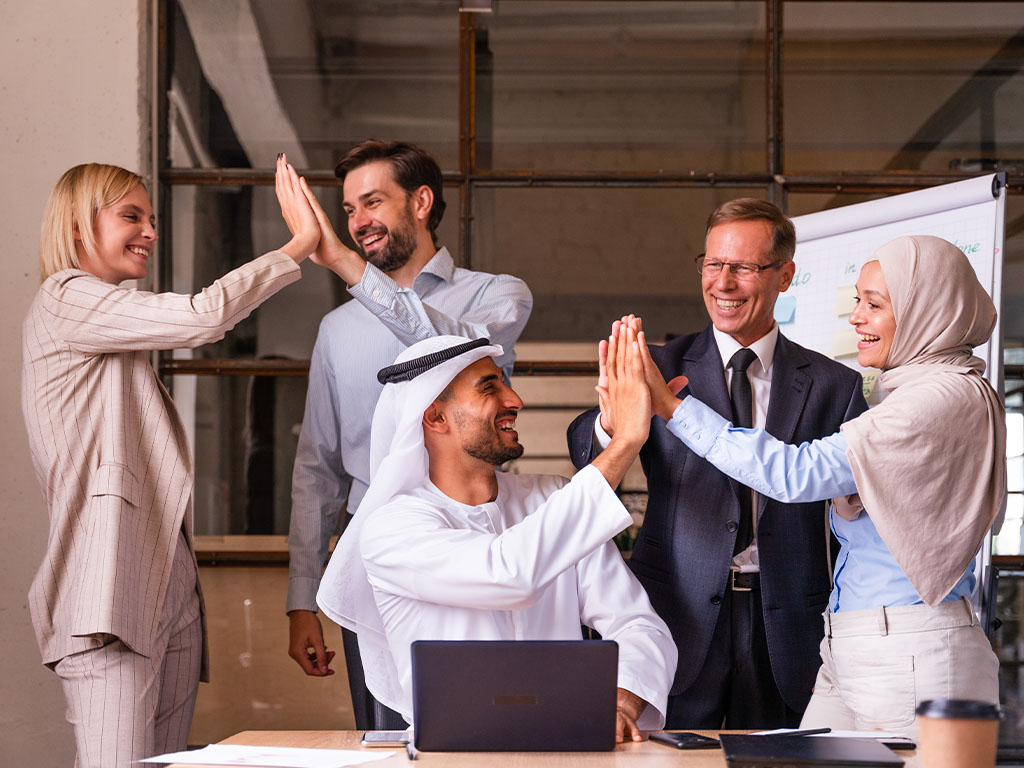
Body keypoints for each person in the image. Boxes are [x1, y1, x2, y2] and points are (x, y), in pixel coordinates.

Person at [634, 234, 1003, 740]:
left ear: (926, 312)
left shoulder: (937, 399)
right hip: (858, 641)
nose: (855, 318)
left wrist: (675, 409)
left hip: (907, 648)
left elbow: (793, 473)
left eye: (874, 305)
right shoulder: (917, 392)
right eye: (857, 301)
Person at [21, 156, 327, 768]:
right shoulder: (65, 298)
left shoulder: (112, 327)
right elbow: (204, 316)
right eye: (132, 216)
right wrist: (298, 247)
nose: (151, 232)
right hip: (105, 597)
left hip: (164, 597)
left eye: (153, 218)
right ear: (79, 227)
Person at [567, 198, 867, 729]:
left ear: (785, 275)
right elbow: (583, 447)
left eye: (744, 267)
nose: (723, 283)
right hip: (677, 612)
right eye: (713, 264)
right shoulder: (660, 364)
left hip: (789, 626)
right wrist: (613, 426)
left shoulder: (834, 385)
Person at [316, 333, 677, 741]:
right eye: (490, 388)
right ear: (436, 419)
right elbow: (511, 575)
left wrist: (621, 701)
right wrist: (626, 442)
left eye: (505, 382)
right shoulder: (391, 529)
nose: (515, 399)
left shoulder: (553, 498)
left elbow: (637, 624)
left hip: (569, 750)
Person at [286, 140, 532, 728]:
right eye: (347, 210)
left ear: (421, 202)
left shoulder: (497, 295)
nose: (358, 222)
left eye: (372, 202)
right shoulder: (335, 329)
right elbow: (316, 467)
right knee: (386, 737)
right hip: (369, 544)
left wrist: (346, 264)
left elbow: (448, 352)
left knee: (486, 728)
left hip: (474, 537)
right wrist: (302, 598)